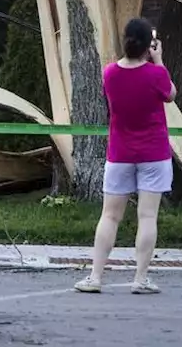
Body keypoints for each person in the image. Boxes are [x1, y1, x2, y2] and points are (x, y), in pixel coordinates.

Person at [75, 17, 176, 296]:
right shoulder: (156, 74)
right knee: (147, 216)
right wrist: (159, 60)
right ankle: (140, 278)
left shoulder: (110, 73)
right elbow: (170, 94)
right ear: (149, 44)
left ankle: (95, 276)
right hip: (154, 151)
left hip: (119, 151)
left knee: (109, 216)